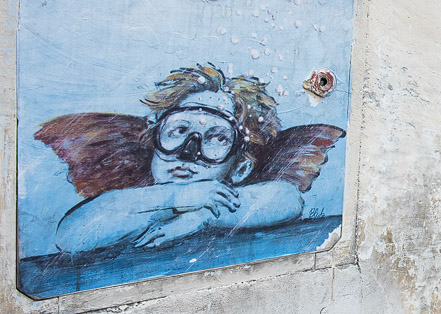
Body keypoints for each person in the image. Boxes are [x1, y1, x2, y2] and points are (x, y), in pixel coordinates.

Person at [36, 64, 344, 252]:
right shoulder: (131, 207)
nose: (188, 152)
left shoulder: (229, 200)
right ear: (154, 142)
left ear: (239, 167)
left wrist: (201, 216)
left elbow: (286, 197)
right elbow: (71, 235)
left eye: (216, 138)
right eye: (178, 131)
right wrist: (177, 196)